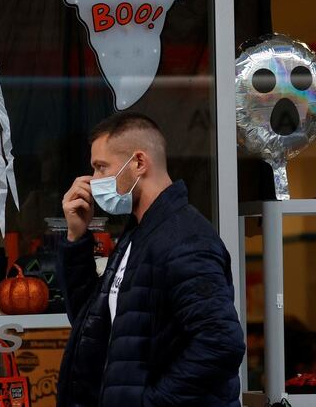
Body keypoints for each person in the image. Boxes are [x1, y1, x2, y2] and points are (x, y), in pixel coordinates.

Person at [56, 112, 245, 406]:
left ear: (139, 163)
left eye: (101, 167)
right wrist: (76, 239)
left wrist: (151, 402)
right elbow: (95, 325)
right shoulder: (139, 234)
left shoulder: (185, 239)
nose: (92, 182)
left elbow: (221, 343)